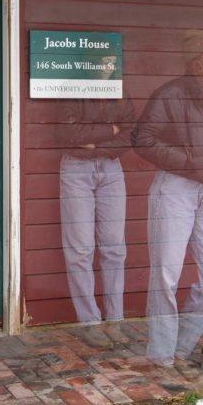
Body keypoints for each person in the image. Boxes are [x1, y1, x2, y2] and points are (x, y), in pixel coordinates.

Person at [132, 30, 203, 366]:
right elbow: (143, 139)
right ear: (198, 58)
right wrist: (189, 163)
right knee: (165, 275)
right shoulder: (170, 93)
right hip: (175, 189)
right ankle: (162, 355)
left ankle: (181, 345)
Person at [56, 56, 136, 347]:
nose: (108, 67)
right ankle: (89, 321)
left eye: (113, 62)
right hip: (77, 169)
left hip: (112, 168)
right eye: (103, 61)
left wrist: (98, 140)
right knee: (80, 248)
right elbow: (68, 133)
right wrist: (109, 130)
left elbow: (131, 134)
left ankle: (115, 320)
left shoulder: (120, 91)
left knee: (115, 247)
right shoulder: (72, 88)